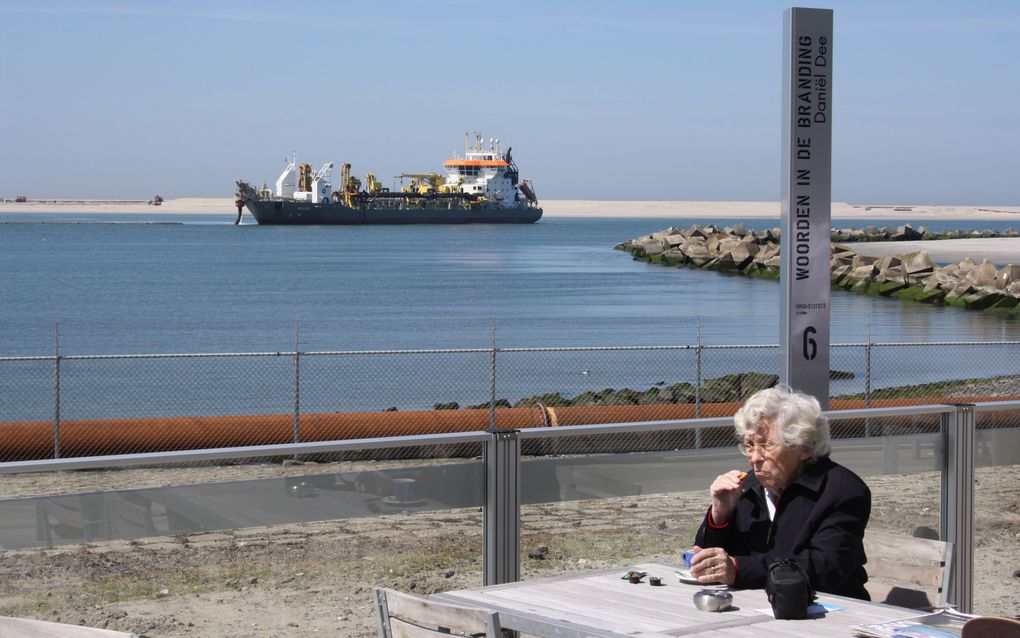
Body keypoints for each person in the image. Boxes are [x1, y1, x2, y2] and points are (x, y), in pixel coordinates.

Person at [689, 384, 871, 599]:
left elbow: (824, 567)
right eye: (749, 445)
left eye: (766, 445)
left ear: (803, 447)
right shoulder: (747, 486)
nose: (754, 457)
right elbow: (710, 561)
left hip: (826, 609)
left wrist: (738, 569)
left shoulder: (843, 490)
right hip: (751, 605)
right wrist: (720, 516)